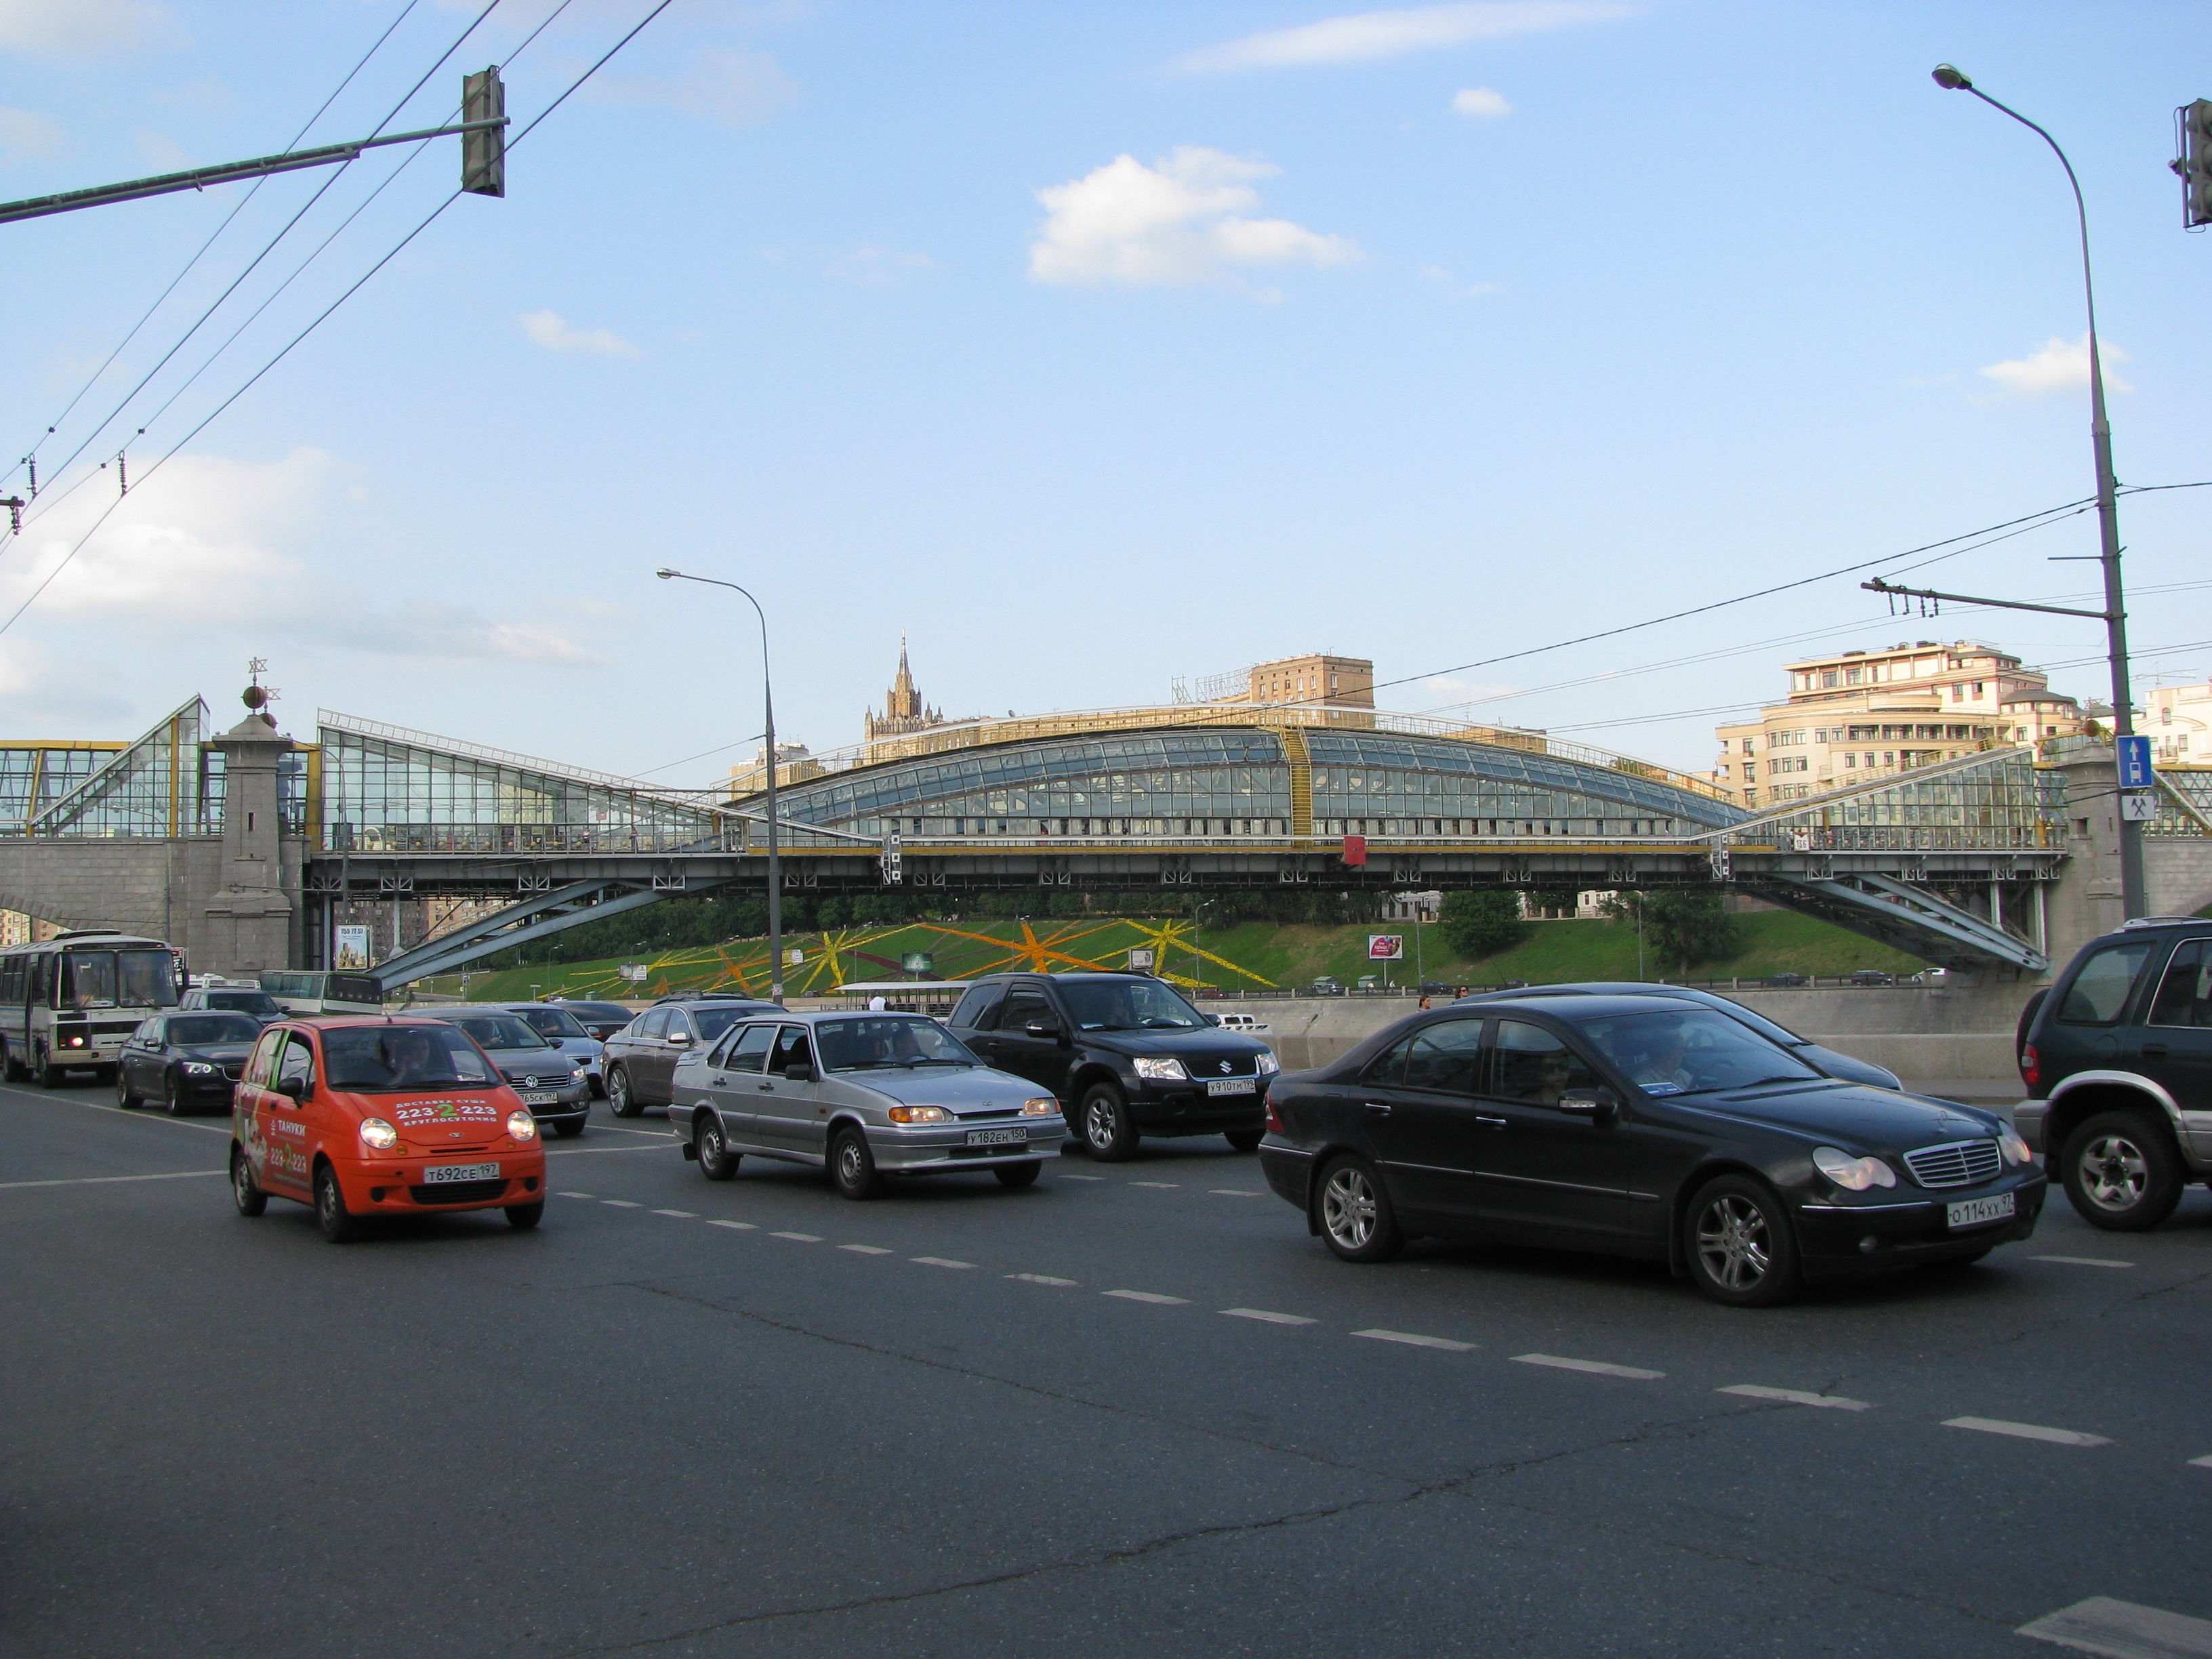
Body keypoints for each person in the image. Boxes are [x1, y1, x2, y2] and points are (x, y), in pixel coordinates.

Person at [1635, 1027, 1696, 1092]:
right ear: (1668, 1054)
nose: (1684, 1055)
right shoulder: (1644, 1082)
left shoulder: (1683, 1075)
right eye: (1680, 1050)